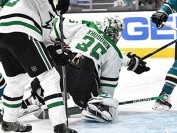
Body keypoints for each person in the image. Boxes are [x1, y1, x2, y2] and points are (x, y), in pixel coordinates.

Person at [20, 16, 151, 122]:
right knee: (104, 105)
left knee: (49, 83)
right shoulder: (115, 53)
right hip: (84, 74)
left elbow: (56, 25)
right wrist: (104, 99)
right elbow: (107, 88)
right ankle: (92, 106)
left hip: (61, 62)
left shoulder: (88, 25)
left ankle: (34, 97)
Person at [0, 0, 76, 133]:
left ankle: (8, 121)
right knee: (51, 78)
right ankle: (59, 126)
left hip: (4, 34)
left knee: (17, 81)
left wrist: (53, 50)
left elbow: (45, 32)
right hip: (22, 31)